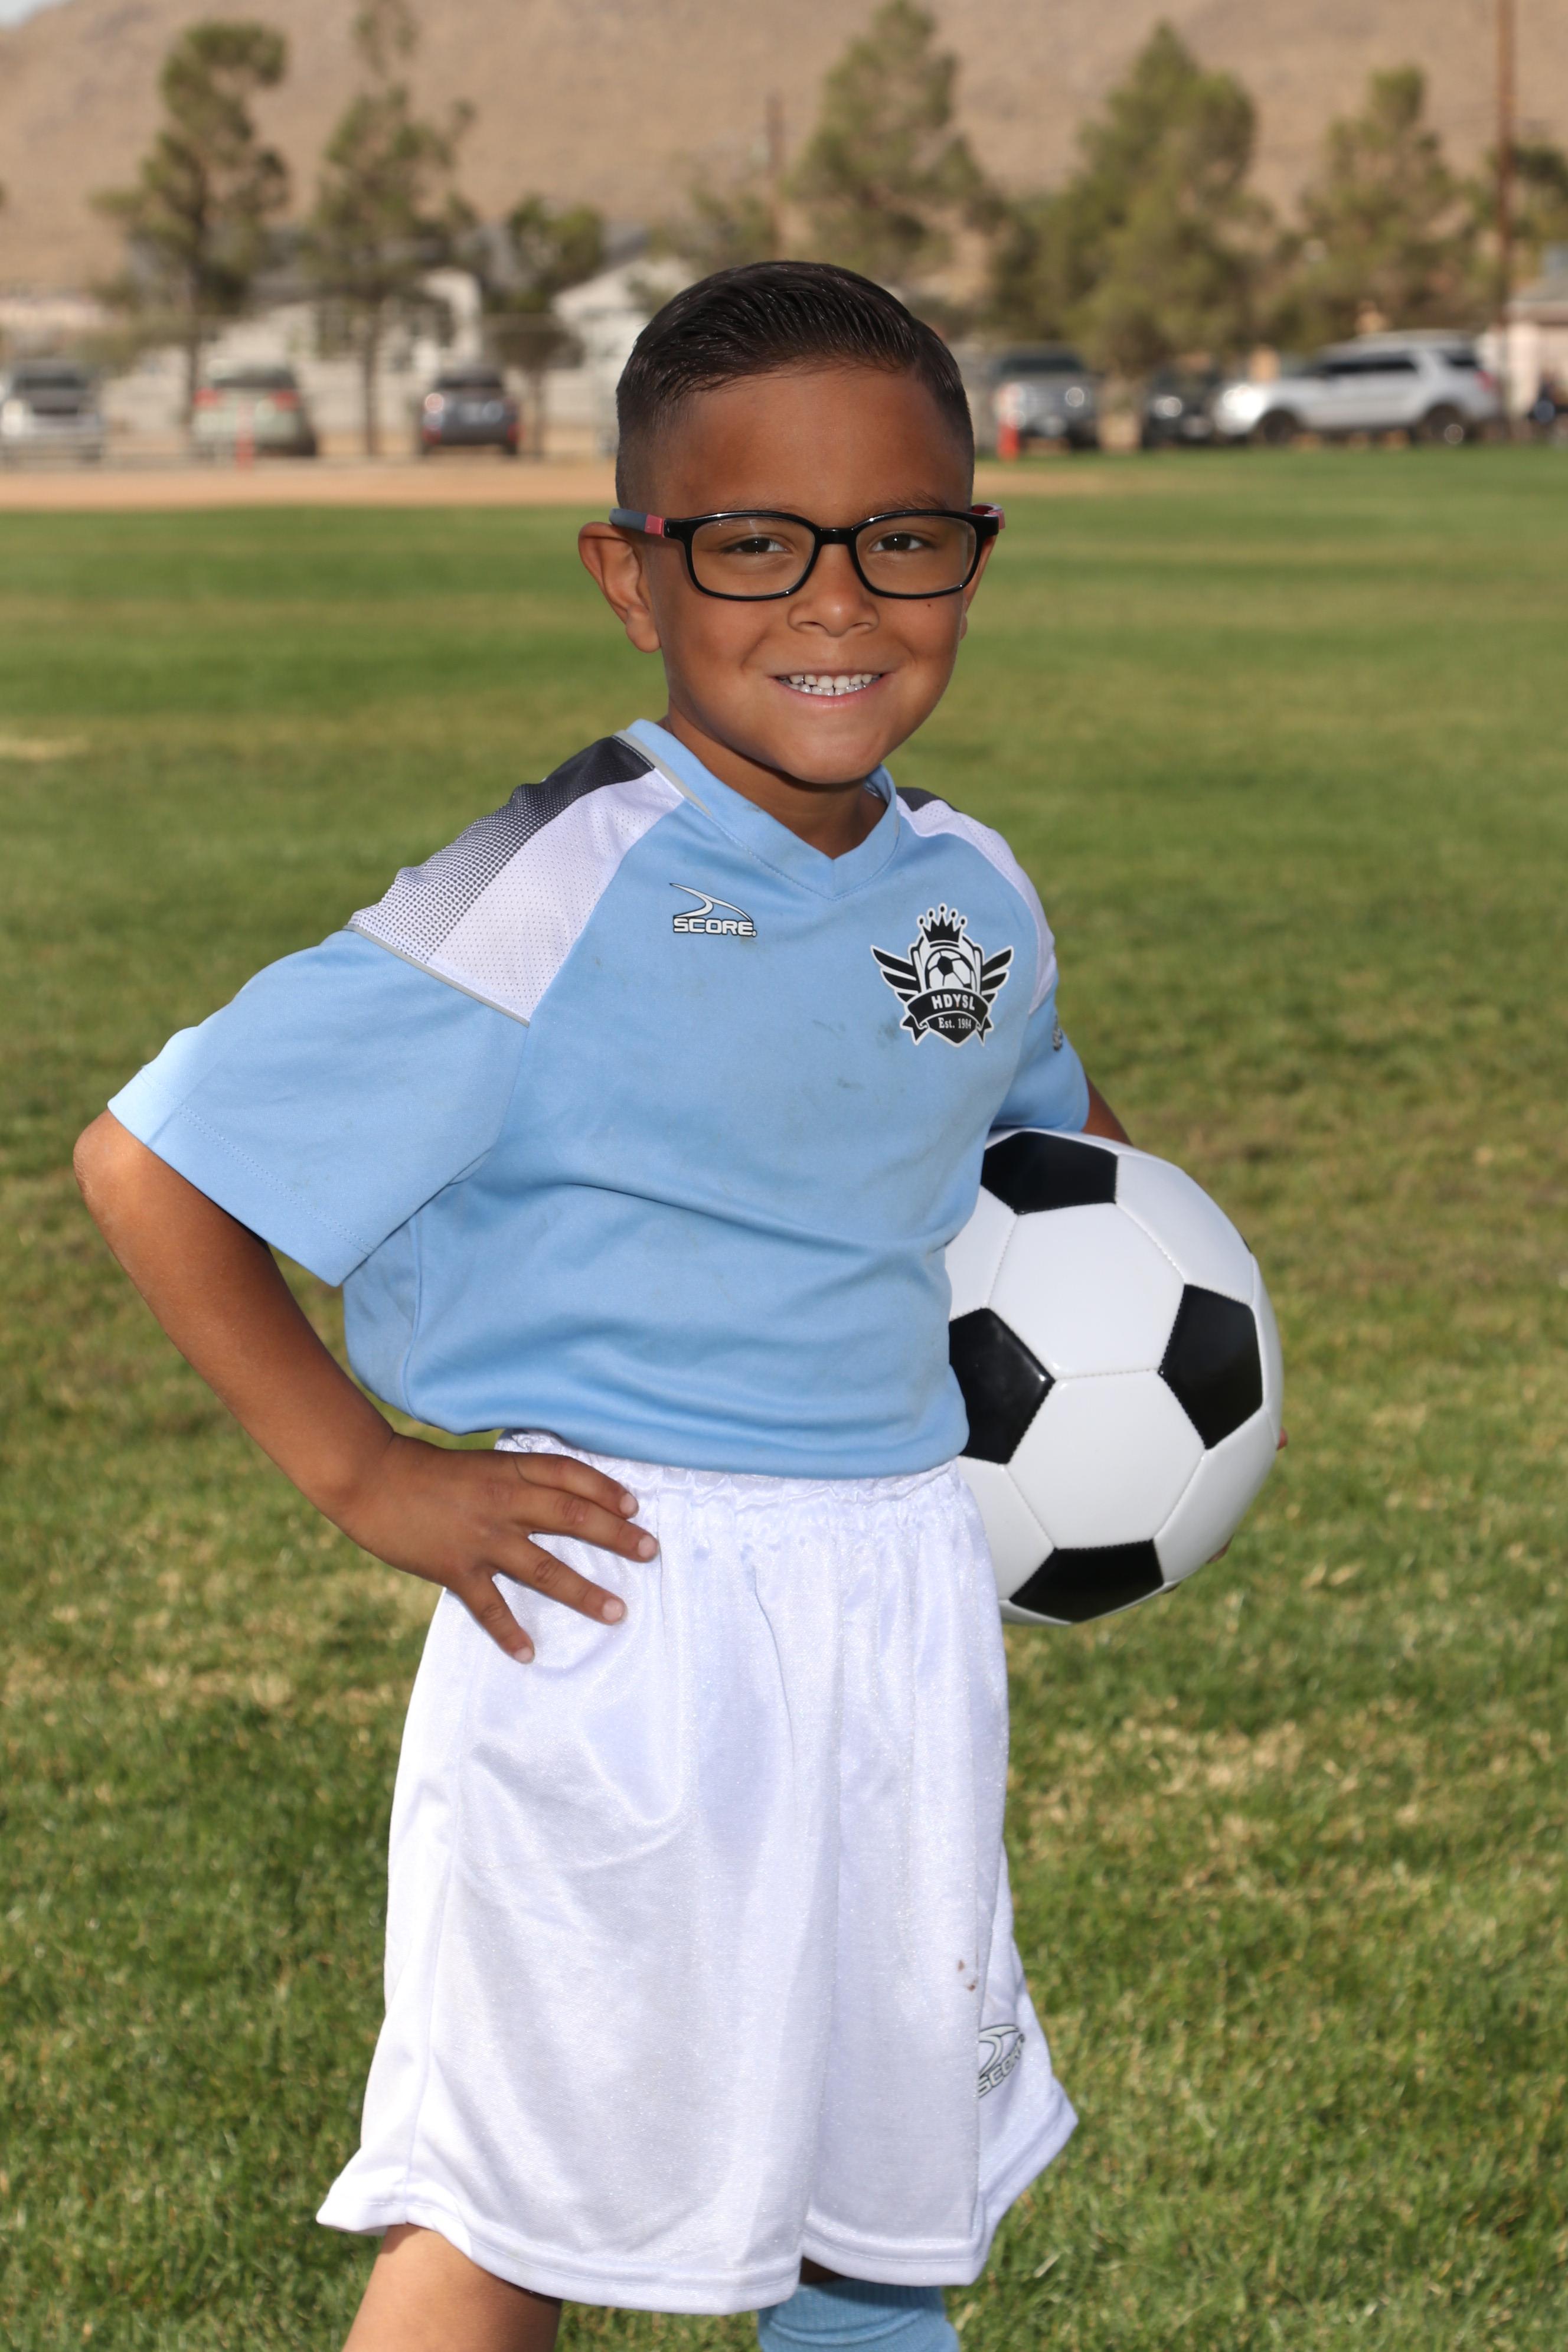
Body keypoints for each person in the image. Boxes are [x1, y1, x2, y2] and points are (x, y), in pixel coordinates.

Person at [74, 261, 1132, 2352]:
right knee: (519, 2206)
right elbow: (152, 1161)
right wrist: (368, 1474)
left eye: (903, 540)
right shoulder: (549, 883)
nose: (838, 602)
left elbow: (1061, 1151)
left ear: (973, 553)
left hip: (898, 1599)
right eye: (755, 545)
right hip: (621, 1611)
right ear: (633, 575)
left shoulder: (974, 890)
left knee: (881, 2197)